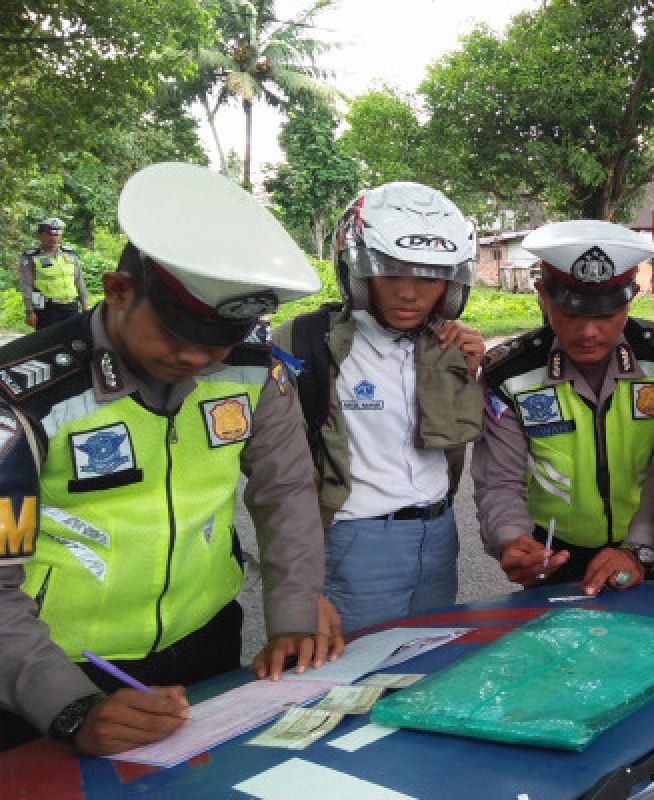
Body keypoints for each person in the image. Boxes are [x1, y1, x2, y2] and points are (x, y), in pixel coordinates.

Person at [0, 162, 343, 756]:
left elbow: (284, 492)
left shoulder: (251, 372)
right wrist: (69, 706)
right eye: (176, 331)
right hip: (54, 669)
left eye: (217, 342)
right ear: (117, 291)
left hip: (205, 649)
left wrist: (294, 608)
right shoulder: (29, 400)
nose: (195, 357)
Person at [273, 182, 485, 634]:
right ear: (358, 273)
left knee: (429, 666)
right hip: (356, 535)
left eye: (428, 278)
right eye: (392, 275)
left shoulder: (447, 345)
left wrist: (469, 370)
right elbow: (274, 471)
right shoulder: (305, 343)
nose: (409, 293)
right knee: (355, 676)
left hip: (438, 531)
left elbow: (458, 433)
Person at [473, 220, 654, 594]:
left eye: (605, 315)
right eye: (573, 314)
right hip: (551, 560)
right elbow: (498, 482)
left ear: (631, 298)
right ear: (542, 298)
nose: (589, 332)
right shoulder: (510, 374)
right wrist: (511, 540)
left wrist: (640, 549)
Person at [18, 217, 89, 330]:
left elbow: (79, 280)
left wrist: (85, 305)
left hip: (71, 307)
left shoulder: (69, 255)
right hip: (47, 309)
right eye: (49, 234)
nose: (53, 238)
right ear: (40, 235)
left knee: (73, 341)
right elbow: (26, 285)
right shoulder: (31, 257)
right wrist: (29, 311)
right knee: (48, 344)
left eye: (57, 234)